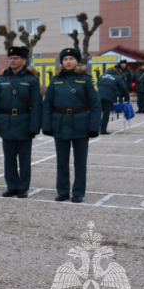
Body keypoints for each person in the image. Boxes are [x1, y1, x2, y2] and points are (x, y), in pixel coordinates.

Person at [42, 48, 101, 203]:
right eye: (65, 59)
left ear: (77, 61)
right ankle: (62, 191)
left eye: (71, 59)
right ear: (61, 62)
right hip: (60, 122)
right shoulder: (56, 80)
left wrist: (94, 126)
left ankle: (78, 192)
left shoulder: (87, 80)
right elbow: (47, 105)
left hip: (80, 122)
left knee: (80, 161)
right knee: (62, 161)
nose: (68, 62)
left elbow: (95, 105)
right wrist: (46, 125)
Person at [0, 46, 42, 198]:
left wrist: (34, 127)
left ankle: (23, 187)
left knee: (24, 159)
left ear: (24, 60)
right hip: (6, 122)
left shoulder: (31, 80)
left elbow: (37, 105)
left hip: (24, 122)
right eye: (11, 58)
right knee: (9, 158)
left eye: (16, 58)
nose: (12, 60)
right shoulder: (2, 79)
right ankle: (11, 186)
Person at [96, 64, 129, 134]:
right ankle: (103, 130)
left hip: (98, 95)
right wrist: (127, 98)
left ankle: (96, 128)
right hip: (109, 96)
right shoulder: (117, 77)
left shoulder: (102, 76)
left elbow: (98, 84)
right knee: (106, 113)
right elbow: (123, 89)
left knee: (98, 113)